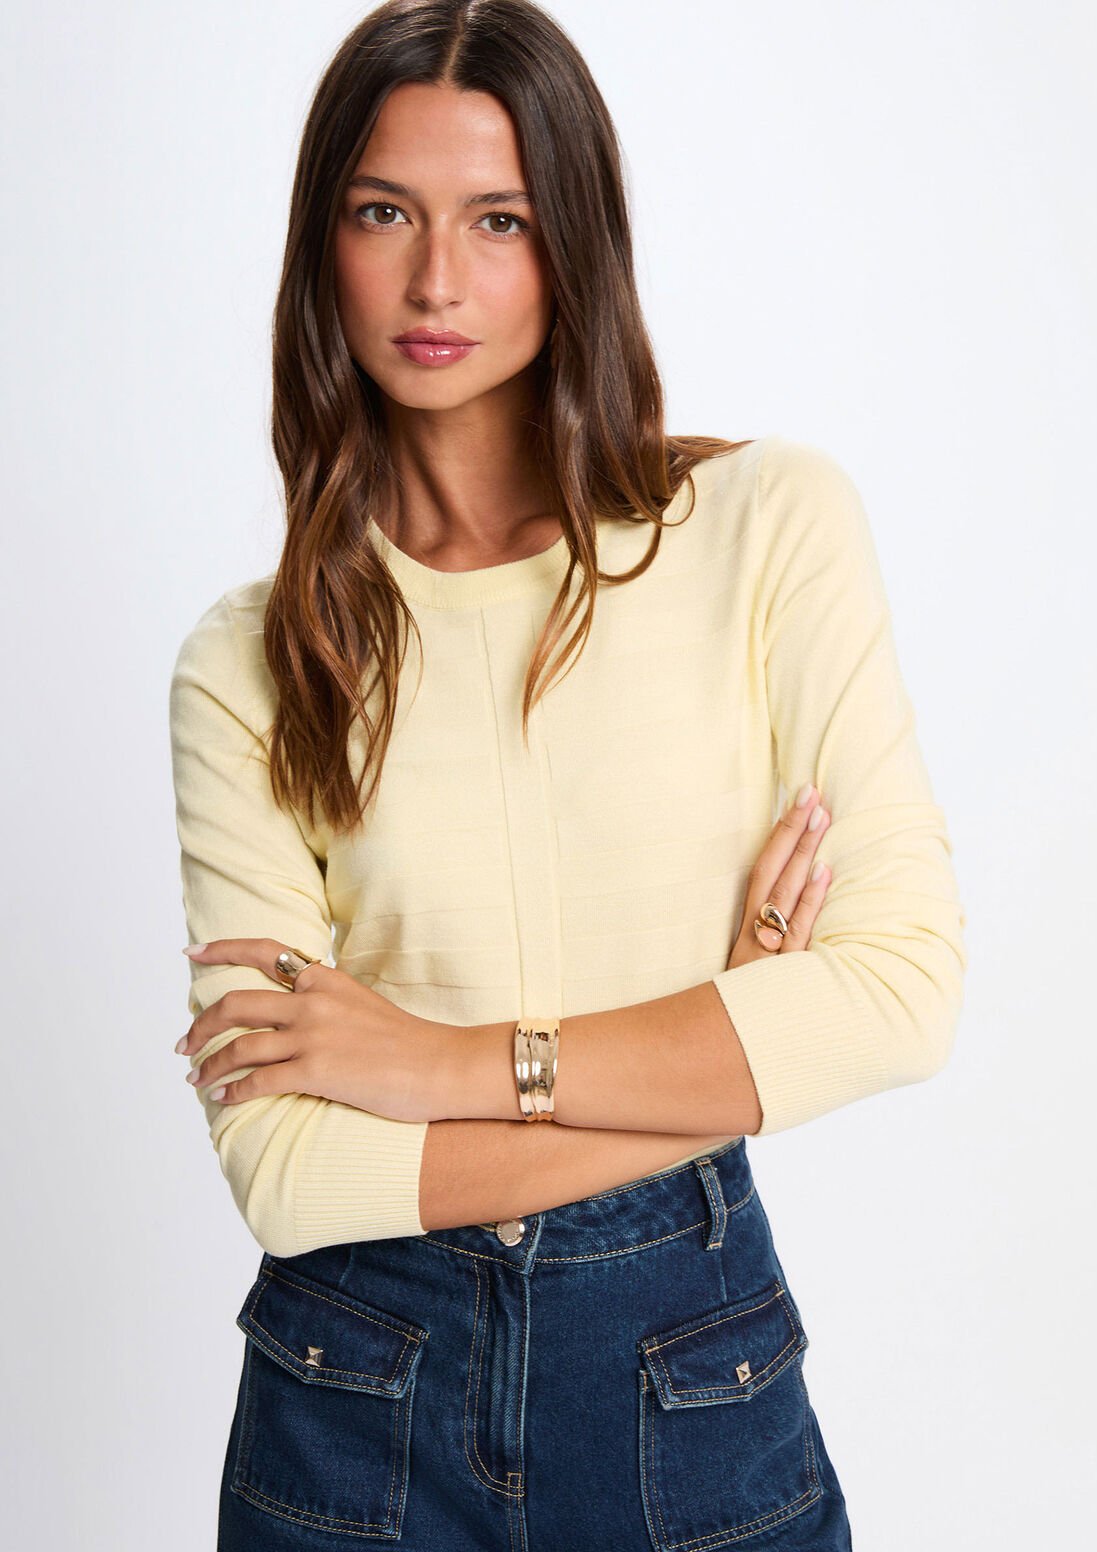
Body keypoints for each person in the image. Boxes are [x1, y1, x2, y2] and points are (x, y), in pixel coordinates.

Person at [168, 3, 966, 1547]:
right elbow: (288, 1170)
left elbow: (896, 998)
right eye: (382, 213)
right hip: (351, 1391)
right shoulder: (249, 660)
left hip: (690, 1372)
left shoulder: (764, 529)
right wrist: (722, 1056)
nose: (435, 280)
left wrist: (438, 1065)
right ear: (322, 244)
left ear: (574, 245)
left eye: (499, 220)